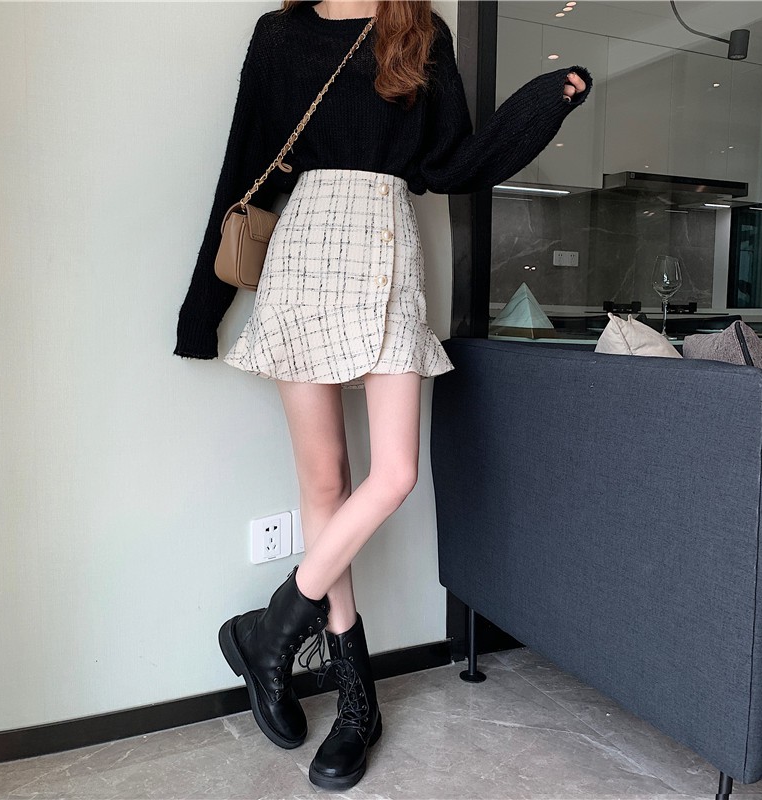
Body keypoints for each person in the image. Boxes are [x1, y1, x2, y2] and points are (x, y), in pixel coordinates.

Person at [174, 0, 591, 790]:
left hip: (389, 254)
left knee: (393, 474)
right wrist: (202, 313)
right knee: (324, 481)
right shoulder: (280, 36)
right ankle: (355, 698)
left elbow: (451, 167)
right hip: (302, 256)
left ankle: (270, 633)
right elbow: (244, 169)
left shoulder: (420, 29)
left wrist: (541, 107)